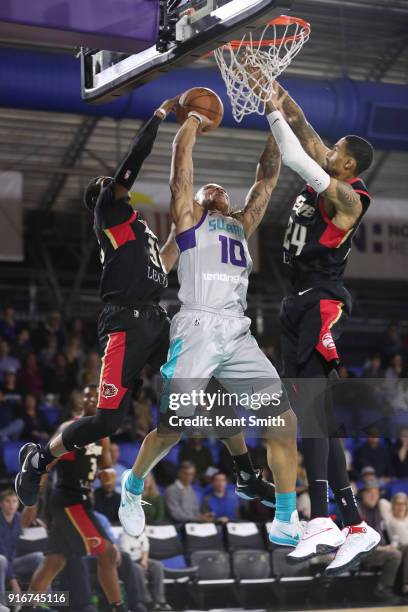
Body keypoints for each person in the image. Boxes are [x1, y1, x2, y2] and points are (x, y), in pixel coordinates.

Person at [120, 111, 299, 548]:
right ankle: (133, 484)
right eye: (207, 188)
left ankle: (285, 517)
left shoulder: (241, 224)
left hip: (237, 332)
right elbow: (180, 174)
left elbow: (266, 180)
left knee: (284, 418)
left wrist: (279, 123)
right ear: (198, 200)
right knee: (174, 426)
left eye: (222, 188)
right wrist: (191, 125)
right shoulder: (190, 219)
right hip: (196, 327)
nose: (215, 187)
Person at [15, 97, 180, 509]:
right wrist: (159, 115)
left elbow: (168, 260)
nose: (116, 183)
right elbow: (133, 160)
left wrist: (186, 225)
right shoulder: (109, 212)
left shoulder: (139, 234)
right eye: (110, 183)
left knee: (194, 379)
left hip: (156, 320)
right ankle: (39, 459)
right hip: (124, 322)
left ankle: (246, 467)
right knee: (108, 421)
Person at [263, 81, 381, 572]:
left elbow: (294, 155)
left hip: (322, 300)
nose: (328, 150)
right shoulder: (331, 172)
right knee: (316, 414)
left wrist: (270, 112)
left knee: (312, 408)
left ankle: (322, 517)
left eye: (336, 151)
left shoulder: (348, 199)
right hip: (296, 301)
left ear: (348, 164)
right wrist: (276, 88)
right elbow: (306, 133)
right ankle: (355, 523)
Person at [23, 385, 126, 612]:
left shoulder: (103, 436)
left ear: (102, 402)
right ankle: (119, 608)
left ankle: (23, 608)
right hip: (68, 500)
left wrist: (108, 477)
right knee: (108, 553)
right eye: (88, 396)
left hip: (83, 500)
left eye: (97, 397)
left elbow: (107, 467)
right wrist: (34, 500)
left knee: (54, 562)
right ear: (82, 401)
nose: (92, 400)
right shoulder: (70, 428)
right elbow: (46, 463)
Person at [358, 480, 401, 603]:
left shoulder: (379, 508)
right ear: (363, 495)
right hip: (363, 553)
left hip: (379, 549)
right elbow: (361, 540)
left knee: (405, 548)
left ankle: (403, 587)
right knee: (395, 555)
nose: (373, 496)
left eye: (376, 493)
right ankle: (382, 589)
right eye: (369, 493)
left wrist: (387, 546)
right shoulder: (357, 509)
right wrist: (383, 548)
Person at [0, 490, 43, 602]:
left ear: (18, 504)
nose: (11, 504)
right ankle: (1, 603)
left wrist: (38, 523)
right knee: (2, 559)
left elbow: (28, 521)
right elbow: (3, 552)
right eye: (7, 501)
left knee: (40, 557)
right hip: (2, 562)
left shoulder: (19, 518)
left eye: (14, 501)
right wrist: (13, 582)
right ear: (1, 504)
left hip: (14, 561)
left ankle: (43, 604)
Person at [119, 528, 172, 611]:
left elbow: (145, 550)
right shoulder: (124, 536)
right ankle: (148, 601)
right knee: (138, 569)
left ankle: (160, 600)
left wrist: (144, 561)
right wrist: (140, 564)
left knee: (158, 565)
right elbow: (126, 557)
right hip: (127, 563)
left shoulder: (142, 534)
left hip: (140, 559)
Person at [380, 492, 408, 595]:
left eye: (403, 504)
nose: (401, 507)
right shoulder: (389, 518)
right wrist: (393, 506)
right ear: (393, 505)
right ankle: (406, 585)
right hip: (398, 547)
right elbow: (382, 502)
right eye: (398, 504)